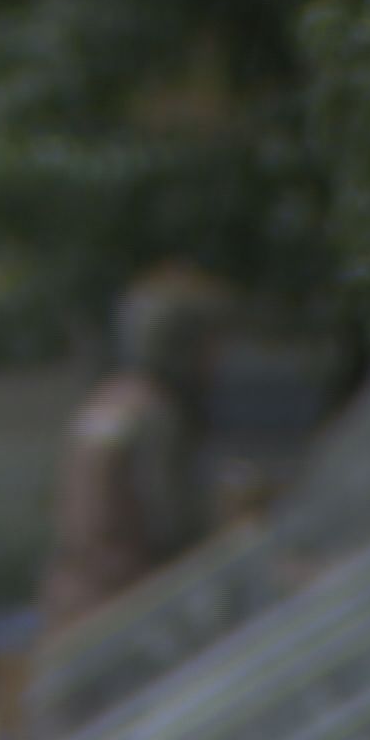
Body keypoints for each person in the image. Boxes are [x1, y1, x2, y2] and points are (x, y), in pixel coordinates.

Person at [37, 263, 232, 638]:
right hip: (132, 620)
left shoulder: (102, 404)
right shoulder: (158, 416)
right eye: (213, 344)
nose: (218, 361)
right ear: (185, 344)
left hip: (71, 612)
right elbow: (172, 526)